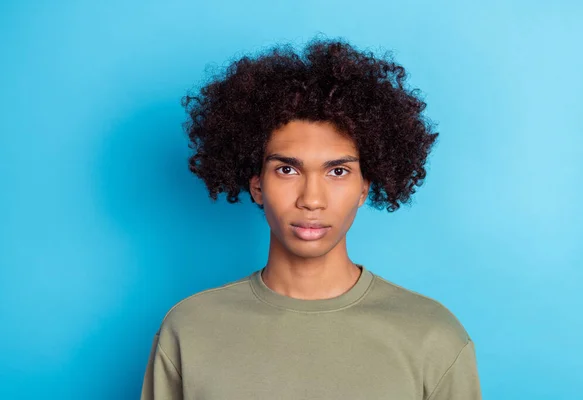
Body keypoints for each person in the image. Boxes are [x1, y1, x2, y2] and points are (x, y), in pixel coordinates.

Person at [140, 36, 482, 400]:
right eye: (287, 170)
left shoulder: (432, 335)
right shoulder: (190, 329)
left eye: (337, 172)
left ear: (365, 188)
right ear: (257, 186)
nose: (311, 199)